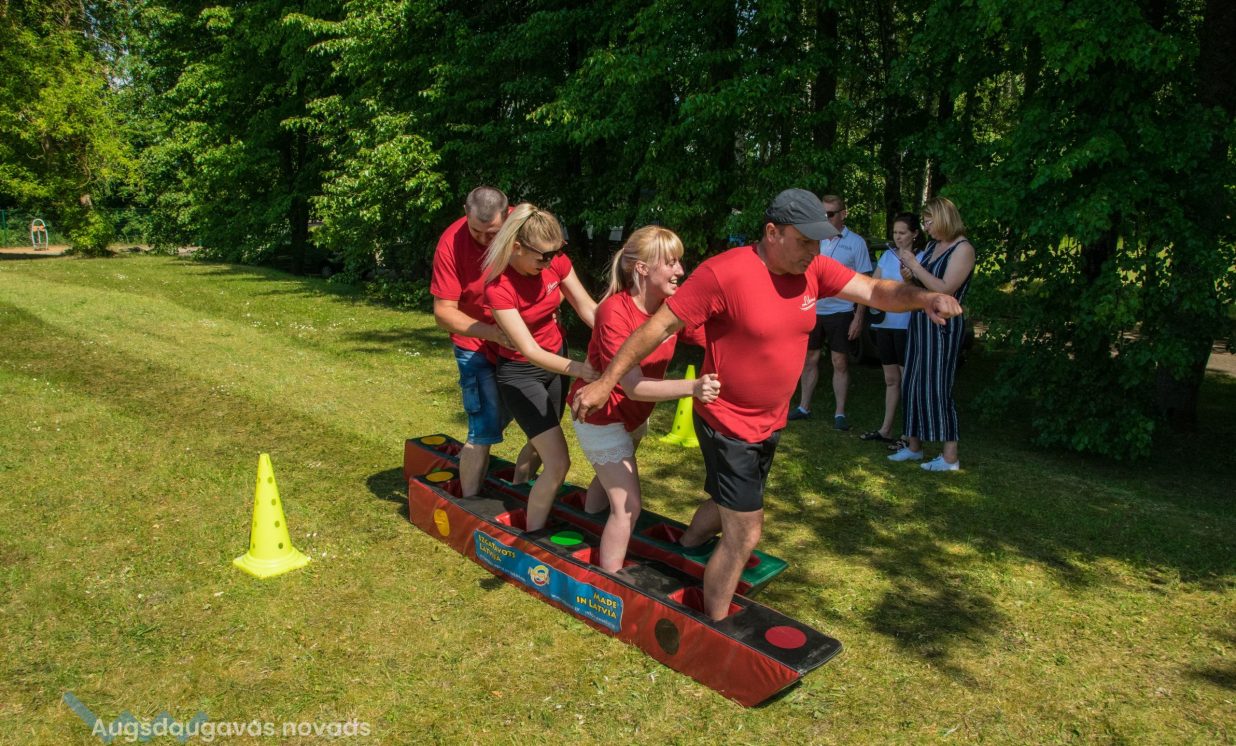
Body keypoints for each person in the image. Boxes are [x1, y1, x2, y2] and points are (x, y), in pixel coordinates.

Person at [572, 188, 962, 620]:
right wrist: (606, 381)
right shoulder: (723, 273)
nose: (814, 251)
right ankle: (715, 624)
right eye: (804, 241)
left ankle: (686, 545)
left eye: (818, 242)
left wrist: (925, 298)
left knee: (727, 506)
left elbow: (874, 290)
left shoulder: (813, 268)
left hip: (770, 423)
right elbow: (657, 327)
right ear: (772, 232)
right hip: (727, 422)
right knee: (745, 532)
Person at [566, 227, 720, 573]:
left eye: (679, 262)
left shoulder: (668, 310)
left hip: (634, 415)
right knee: (628, 506)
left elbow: (712, 336)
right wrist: (694, 387)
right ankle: (608, 582)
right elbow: (633, 386)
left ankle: (587, 522)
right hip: (601, 415)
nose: (680, 270)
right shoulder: (614, 312)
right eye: (671, 263)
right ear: (642, 268)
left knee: (609, 481)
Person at [483, 203, 599, 531]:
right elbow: (530, 350)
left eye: (556, 253)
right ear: (516, 247)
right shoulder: (498, 287)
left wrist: (620, 337)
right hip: (521, 373)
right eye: (543, 257)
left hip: (556, 363)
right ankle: (531, 535)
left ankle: (519, 489)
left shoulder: (555, 261)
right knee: (558, 462)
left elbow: (587, 307)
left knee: (538, 443)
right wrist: (580, 369)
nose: (551, 262)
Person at [431, 186, 539, 498]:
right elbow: (443, 313)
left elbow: (553, 271)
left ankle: (523, 493)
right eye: (476, 231)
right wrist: (492, 332)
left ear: (507, 215)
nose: (484, 240)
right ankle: (468, 503)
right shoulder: (450, 244)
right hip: (475, 345)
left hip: (523, 342)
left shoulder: (526, 228)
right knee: (483, 427)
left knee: (540, 424)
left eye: (492, 233)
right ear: (466, 213)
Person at [888, 196, 976, 472]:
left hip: (943, 325)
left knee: (937, 385)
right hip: (920, 320)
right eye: (925, 222)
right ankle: (914, 446)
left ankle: (950, 457)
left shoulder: (963, 249)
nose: (926, 227)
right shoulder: (933, 246)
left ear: (944, 219)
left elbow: (945, 288)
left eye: (929, 222)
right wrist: (908, 274)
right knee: (912, 382)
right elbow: (922, 284)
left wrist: (915, 266)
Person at [787, 194, 872, 431]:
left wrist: (858, 317)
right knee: (809, 358)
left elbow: (865, 282)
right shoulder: (814, 240)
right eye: (822, 214)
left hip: (841, 310)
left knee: (839, 361)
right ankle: (804, 407)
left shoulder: (856, 243)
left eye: (830, 214)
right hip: (812, 308)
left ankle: (839, 413)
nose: (826, 218)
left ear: (843, 214)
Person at [859, 212, 924, 446]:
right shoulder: (887, 256)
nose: (898, 237)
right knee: (890, 379)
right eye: (895, 232)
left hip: (906, 326)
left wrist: (908, 281)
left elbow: (923, 291)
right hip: (885, 324)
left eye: (902, 233)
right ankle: (885, 429)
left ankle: (908, 434)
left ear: (914, 234)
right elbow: (873, 285)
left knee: (907, 381)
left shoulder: (922, 258)